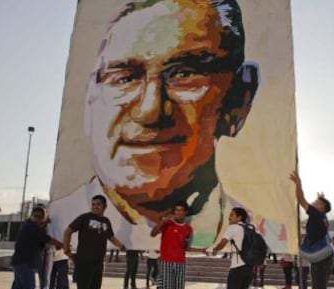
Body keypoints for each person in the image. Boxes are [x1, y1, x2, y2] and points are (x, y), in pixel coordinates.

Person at [50, 0, 261, 250]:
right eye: (125, 78)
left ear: (239, 103)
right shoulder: (57, 221)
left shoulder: (266, 231)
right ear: (89, 101)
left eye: (184, 74)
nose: (149, 111)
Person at [63, 194, 125, 289]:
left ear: (104, 206)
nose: (95, 206)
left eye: (98, 204)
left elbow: (111, 237)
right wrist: (67, 251)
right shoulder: (84, 218)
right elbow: (68, 231)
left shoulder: (106, 221)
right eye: (93, 204)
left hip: (98, 262)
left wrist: (121, 245)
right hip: (84, 261)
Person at [3, 207, 63, 289]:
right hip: (26, 263)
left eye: (40, 216)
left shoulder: (29, 226)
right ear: (32, 216)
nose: (38, 218)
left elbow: (42, 242)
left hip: (20, 263)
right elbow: (47, 239)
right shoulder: (32, 227)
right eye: (36, 216)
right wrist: (63, 245)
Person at [290, 171, 333, 289]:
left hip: (322, 259)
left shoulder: (316, 214)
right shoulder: (321, 216)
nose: (313, 202)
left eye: (317, 202)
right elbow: (320, 206)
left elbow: (301, 199)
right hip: (322, 257)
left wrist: (298, 183)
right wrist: (321, 199)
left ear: (321, 207)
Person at [150, 201, 202, 289]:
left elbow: (186, 247)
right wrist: (163, 220)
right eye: (176, 210)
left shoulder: (188, 228)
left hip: (180, 263)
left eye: (181, 210)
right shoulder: (167, 224)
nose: (178, 212)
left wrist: (202, 249)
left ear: (185, 212)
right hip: (166, 262)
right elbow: (153, 233)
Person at [210, 207, 253, 289]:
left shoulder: (233, 228)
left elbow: (223, 242)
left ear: (239, 217)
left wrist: (215, 249)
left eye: (232, 215)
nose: (229, 217)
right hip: (249, 267)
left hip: (237, 267)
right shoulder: (250, 229)